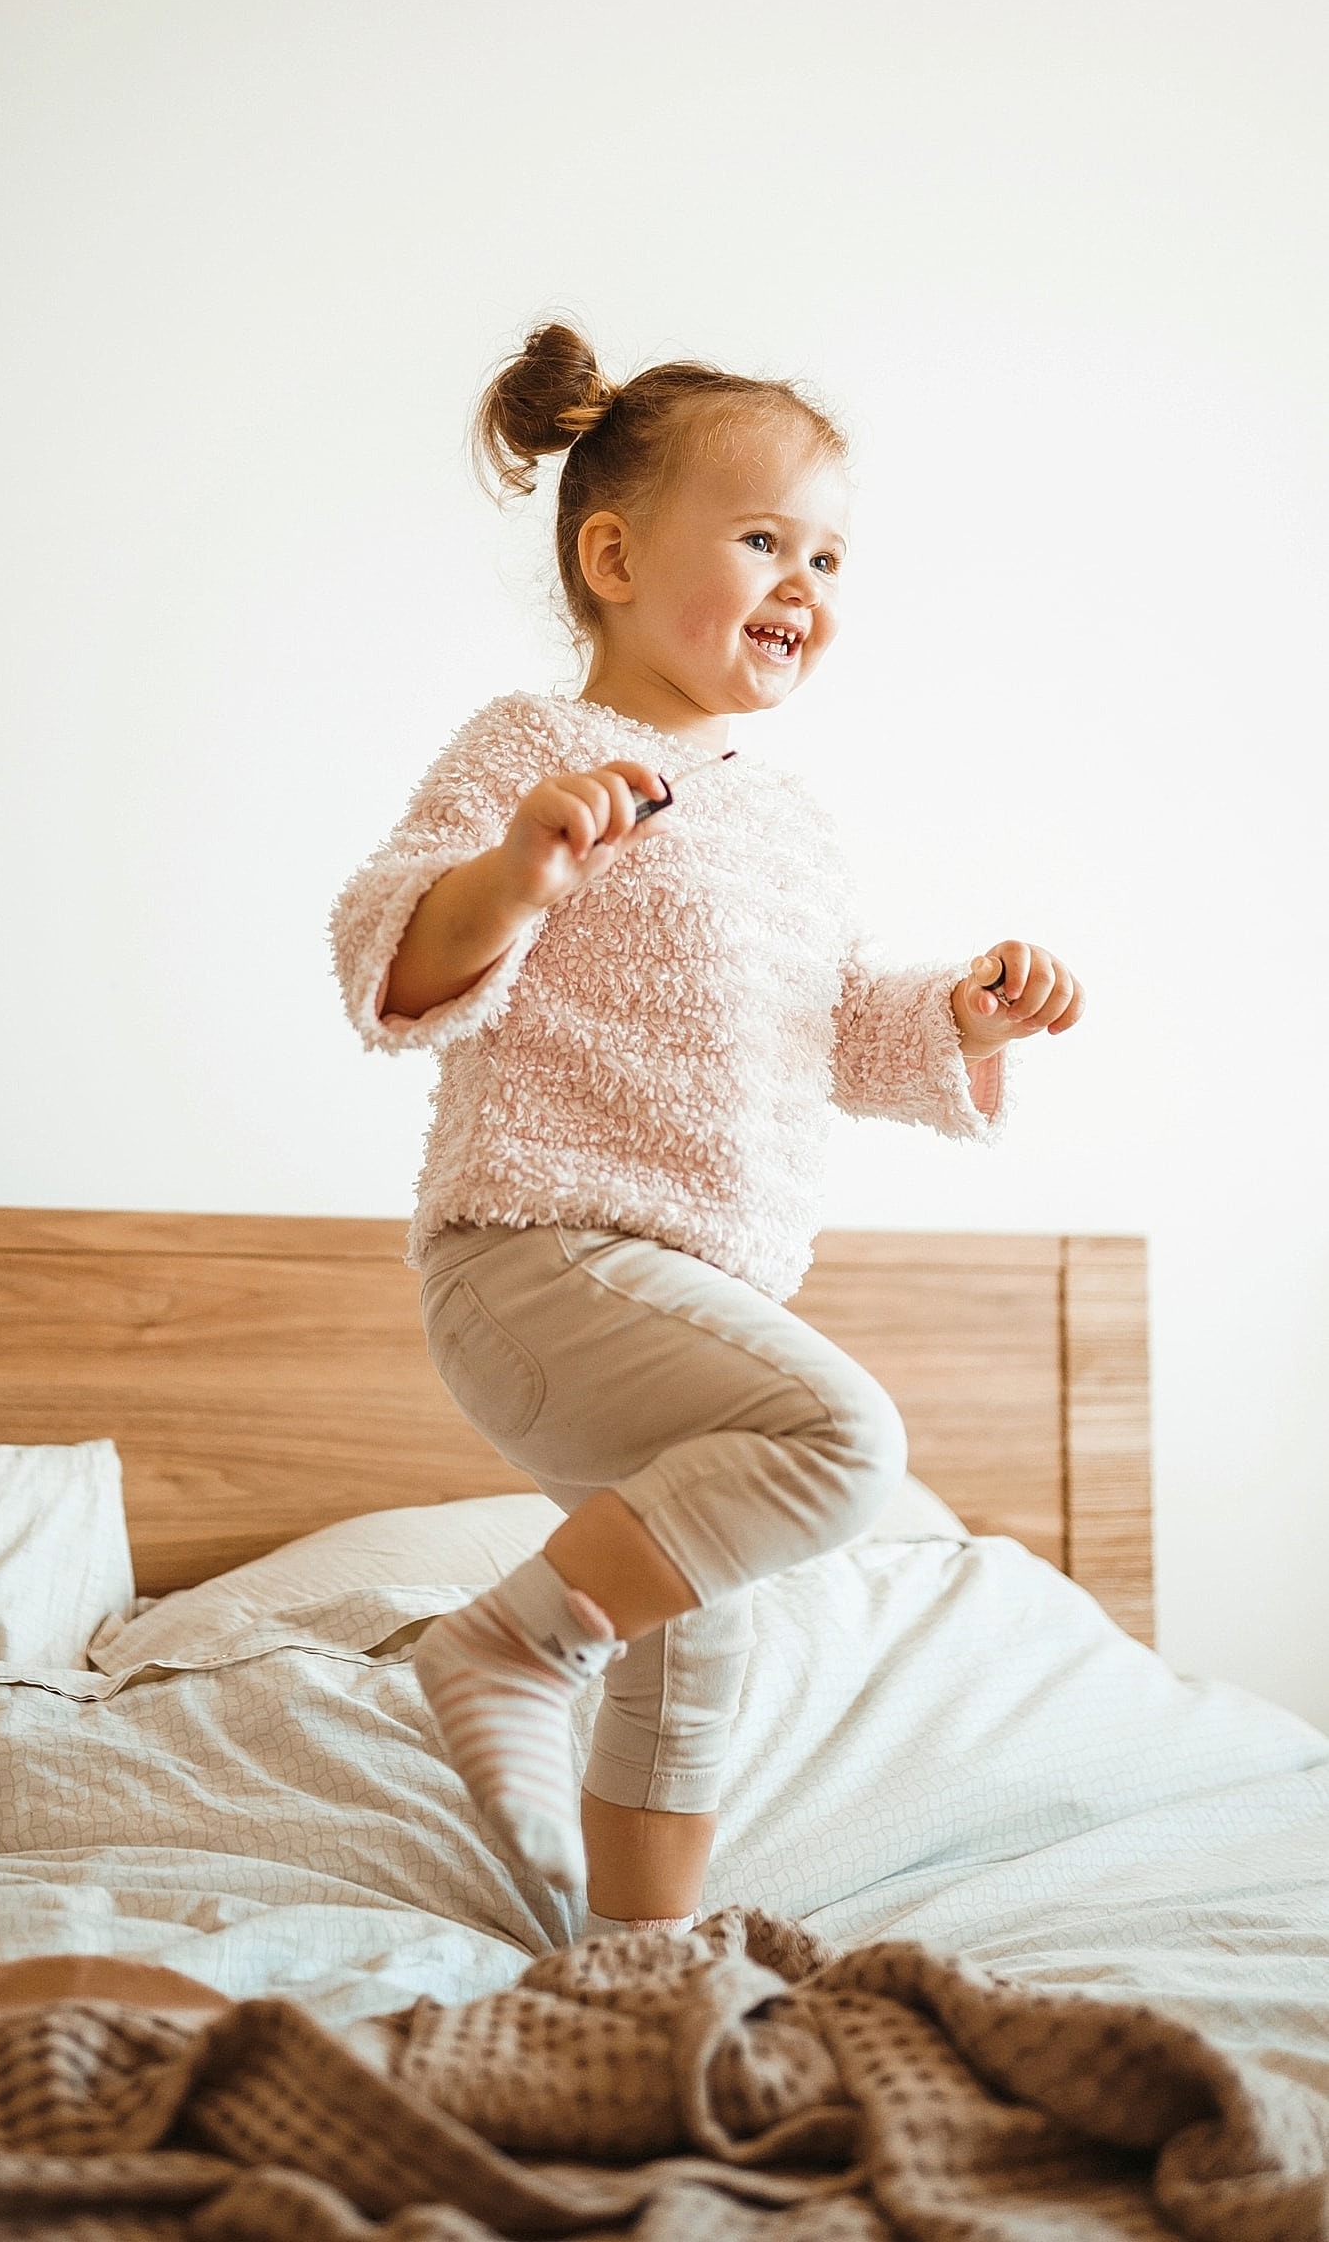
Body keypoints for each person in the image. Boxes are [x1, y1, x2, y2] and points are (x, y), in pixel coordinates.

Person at [328, 321, 1083, 1938]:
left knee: (696, 1623)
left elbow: (824, 1030)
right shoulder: (532, 753)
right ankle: (503, 1645)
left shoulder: (788, 824)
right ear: (610, 556)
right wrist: (519, 873)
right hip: (536, 1259)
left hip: (686, 1294)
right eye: (759, 540)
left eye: (825, 553)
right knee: (841, 1444)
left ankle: (635, 1956)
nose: (801, 581)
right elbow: (390, 957)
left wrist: (956, 1016)